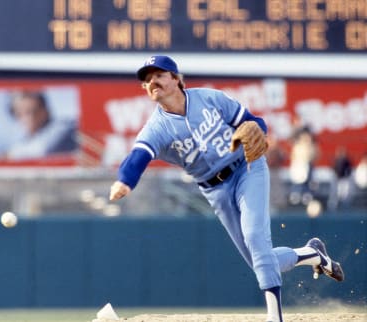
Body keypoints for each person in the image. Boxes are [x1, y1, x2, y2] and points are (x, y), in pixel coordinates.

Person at [109, 55, 344, 322]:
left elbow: (254, 122)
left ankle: (274, 317)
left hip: (248, 169)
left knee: (256, 238)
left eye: (159, 75)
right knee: (261, 262)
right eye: (147, 79)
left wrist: (259, 129)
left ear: (176, 78)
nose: (152, 81)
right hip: (214, 190)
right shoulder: (157, 128)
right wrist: (125, 180)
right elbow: (138, 155)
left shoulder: (209, 98)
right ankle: (312, 253)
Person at [0, 90, 77, 161]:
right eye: (20, 114)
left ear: (46, 111)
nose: (29, 118)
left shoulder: (64, 126)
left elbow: (42, 150)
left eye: (33, 111)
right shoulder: (24, 141)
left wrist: (7, 155)